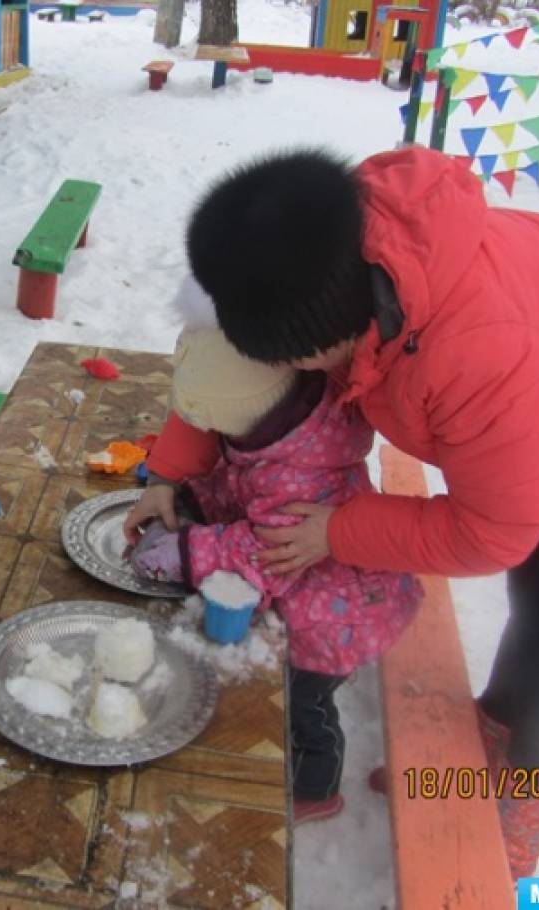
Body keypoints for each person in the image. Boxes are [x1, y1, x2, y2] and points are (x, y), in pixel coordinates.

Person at [126, 145, 539, 878]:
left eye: (301, 365)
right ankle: (478, 764)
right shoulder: (311, 258)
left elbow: (492, 530)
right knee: (535, 609)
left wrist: (337, 532)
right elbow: (223, 382)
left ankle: (517, 822)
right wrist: (168, 470)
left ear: (336, 337)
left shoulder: (477, 352)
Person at [128, 309, 422, 823]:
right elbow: (234, 474)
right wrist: (171, 481)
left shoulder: (300, 478)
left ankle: (317, 785)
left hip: (336, 618)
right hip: (317, 584)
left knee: (304, 703)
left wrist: (183, 552)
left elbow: (261, 549)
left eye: (214, 424)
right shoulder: (282, 414)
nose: (210, 432)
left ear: (244, 418)